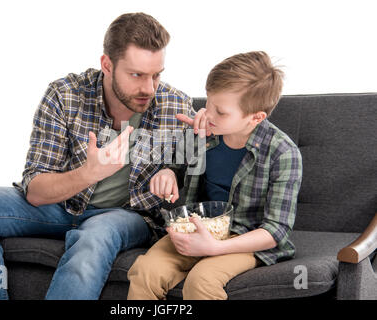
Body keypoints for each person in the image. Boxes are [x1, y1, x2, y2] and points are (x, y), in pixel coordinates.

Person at [0, 12, 194, 300]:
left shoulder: (175, 105)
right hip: (61, 206)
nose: (149, 88)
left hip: (124, 216)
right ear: (107, 65)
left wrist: (179, 163)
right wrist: (89, 173)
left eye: (156, 75)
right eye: (137, 75)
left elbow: (195, 172)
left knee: (96, 234)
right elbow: (36, 189)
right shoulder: (66, 95)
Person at [127, 51, 303, 300]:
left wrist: (216, 247)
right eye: (208, 104)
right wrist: (167, 173)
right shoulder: (204, 131)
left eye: (220, 112)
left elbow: (276, 230)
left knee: (201, 282)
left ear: (256, 117)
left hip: (244, 238)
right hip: (196, 228)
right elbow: (176, 167)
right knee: (145, 272)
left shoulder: (283, 153)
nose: (208, 115)